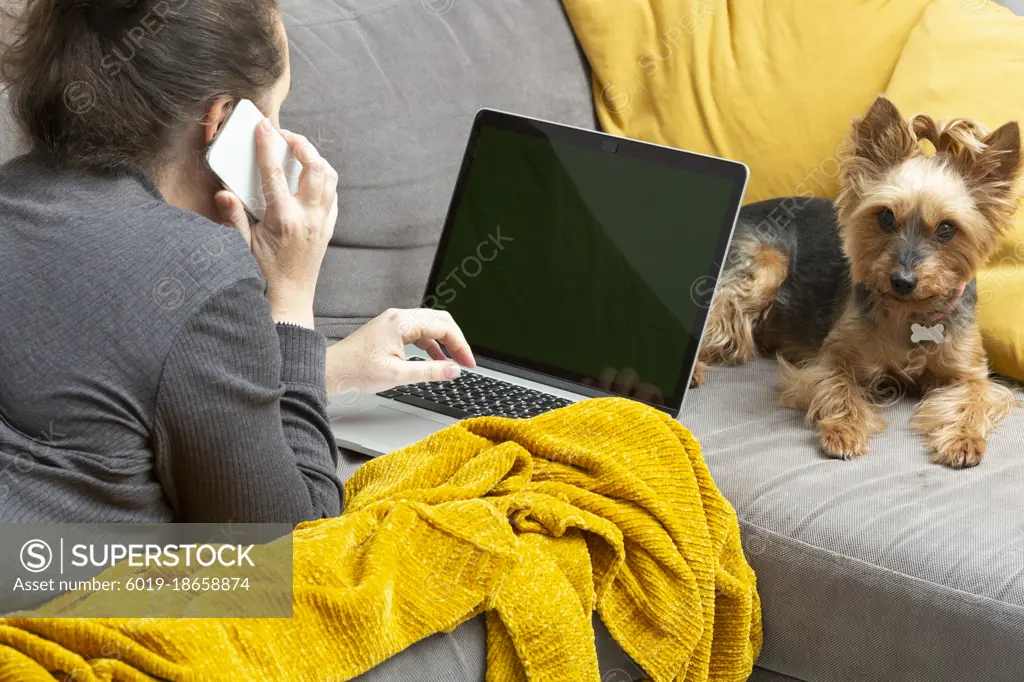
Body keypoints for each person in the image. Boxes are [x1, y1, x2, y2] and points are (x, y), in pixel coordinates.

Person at [0, 0, 475, 525]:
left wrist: (325, 370)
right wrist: (291, 296)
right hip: (64, 594)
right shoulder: (201, 276)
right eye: (272, 114)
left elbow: (134, 385)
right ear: (222, 121)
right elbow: (289, 550)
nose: (280, 134)